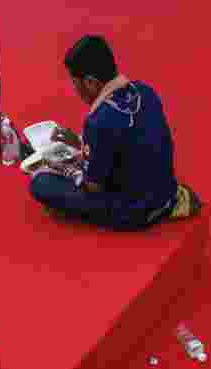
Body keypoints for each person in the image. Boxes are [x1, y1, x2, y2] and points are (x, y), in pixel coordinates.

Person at [29, 35, 201, 230]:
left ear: (90, 82)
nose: (75, 89)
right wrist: (78, 141)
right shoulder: (146, 91)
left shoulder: (98, 121)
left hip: (135, 212)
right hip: (165, 194)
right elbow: (125, 143)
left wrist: (62, 169)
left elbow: (94, 187)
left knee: (40, 182)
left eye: (75, 83)